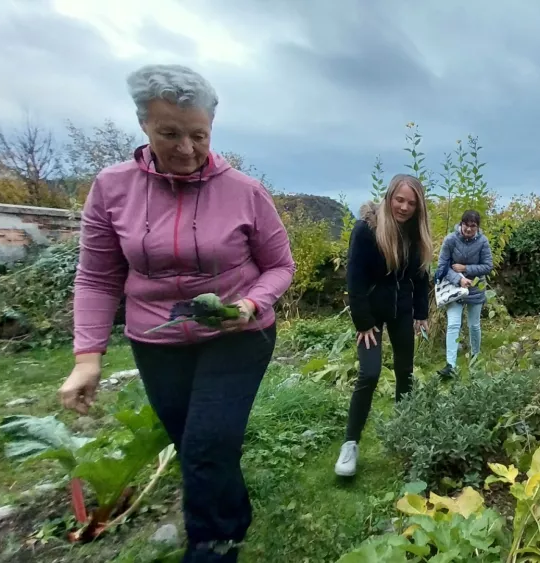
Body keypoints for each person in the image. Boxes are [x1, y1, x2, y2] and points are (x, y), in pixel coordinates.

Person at [57, 64, 295, 563]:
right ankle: (231, 513)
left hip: (238, 333)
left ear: (211, 129)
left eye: (198, 135)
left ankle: (213, 544)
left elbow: (279, 266)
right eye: (170, 133)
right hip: (156, 340)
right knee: (194, 444)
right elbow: (98, 276)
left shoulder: (245, 192)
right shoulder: (112, 188)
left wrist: (251, 303)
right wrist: (87, 357)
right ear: (144, 123)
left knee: (208, 443)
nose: (186, 148)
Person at [336, 174, 432, 477]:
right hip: (371, 313)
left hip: (401, 311)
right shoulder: (367, 229)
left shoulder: (415, 234)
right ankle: (350, 444)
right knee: (370, 372)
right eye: (399, 199)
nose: (403, 207)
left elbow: (420, 277)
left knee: (406, 371)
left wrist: (420, 314)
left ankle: (405, 436)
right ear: (389, 197)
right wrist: (363, 322)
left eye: (411, 203)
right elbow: (355, 278)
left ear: (418, 208)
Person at [435, 210, 493, 378]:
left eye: (472, 226)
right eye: (466, 225)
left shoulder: (483, 242)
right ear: (461, 224)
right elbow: (442, 267)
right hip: (454, 289)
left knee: (474, 325)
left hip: (475, 288)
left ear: (477, 227)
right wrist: (458, 279)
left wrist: (466, 269)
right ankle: (450, 365)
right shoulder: (450, 240)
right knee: (453, 324)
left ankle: (475, 357)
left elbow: (488, 266)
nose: (468, 229)